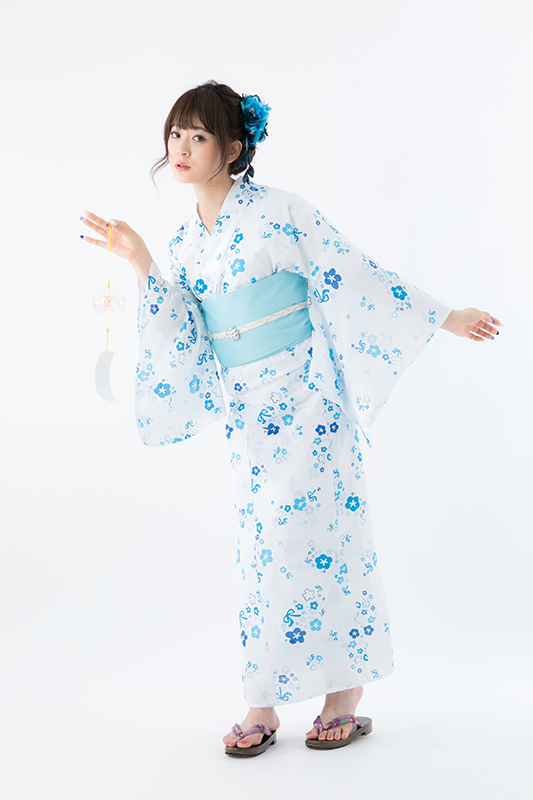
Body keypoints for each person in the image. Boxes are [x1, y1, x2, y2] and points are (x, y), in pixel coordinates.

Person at [81, 80, 502, 757]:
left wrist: (443, 316)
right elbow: (185, 330)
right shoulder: (185, 242)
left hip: (308, 397)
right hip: (248, 412)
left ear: (233, 149)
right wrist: (143, 263)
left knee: (321, 536)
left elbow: (352, 273)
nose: (181, 148)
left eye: (198, 136)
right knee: (261, 549)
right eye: (176, 134)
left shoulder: (281, 211)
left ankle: (343, 694)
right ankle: (263, 698)